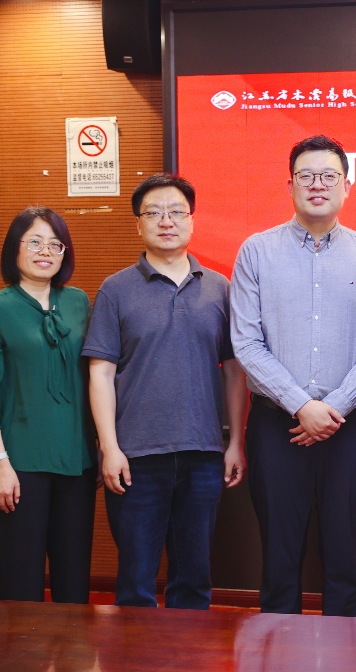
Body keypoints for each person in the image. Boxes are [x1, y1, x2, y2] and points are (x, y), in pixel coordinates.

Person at [231, 135, 356, 616]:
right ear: (291, 185)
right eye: (306, 176)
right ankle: (279, 658)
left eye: (329, 176)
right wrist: (301, 405)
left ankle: (345, 657)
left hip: (349, 426)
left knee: (345, 559)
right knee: (279, 560)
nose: (317, 185)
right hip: (276, 425)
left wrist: (332, 408)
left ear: (347, 186)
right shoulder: (256, 252)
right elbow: (246, 343)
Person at [83, 173, 247, 609]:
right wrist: (109, 448)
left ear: (192, 220)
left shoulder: (220, 288)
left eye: (176, 211)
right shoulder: (116, 290)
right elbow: (100, 374)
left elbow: (234, 372)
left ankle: (188, 655)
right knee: (136, 580)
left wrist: (235, 442)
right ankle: (136, 656)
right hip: (136, 456)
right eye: (153, 213)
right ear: (138, 224)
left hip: (203, 454)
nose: (166, 221)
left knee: (194, 579)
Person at [0, 206, 95, 602]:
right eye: (34, 242)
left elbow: (97, 377)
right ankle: (20, 648)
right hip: (19, 466)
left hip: (77, 462)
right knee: (20, 583)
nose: (45, 251)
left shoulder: (78, 302)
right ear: (14, 249)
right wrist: (0, 464)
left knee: (74, 582)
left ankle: (71, 645)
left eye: (55, 244)